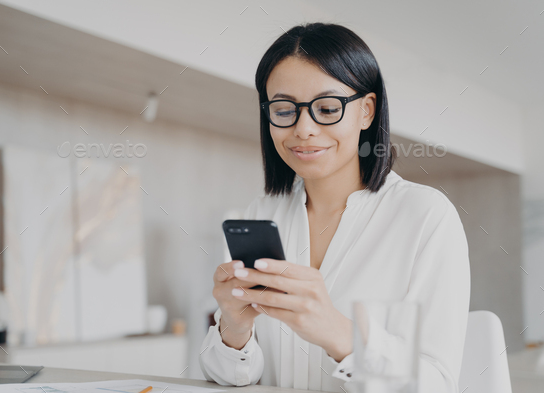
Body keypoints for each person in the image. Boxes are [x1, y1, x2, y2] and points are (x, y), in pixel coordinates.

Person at [198, 22, 470, 393]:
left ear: (367, 112)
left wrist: (339, 334)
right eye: (283, 109)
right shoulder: (260, 215)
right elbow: (229, 379)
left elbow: (438, 384)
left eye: (327, 108)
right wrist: (233, 326)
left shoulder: (425, 216)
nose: (303, 128)